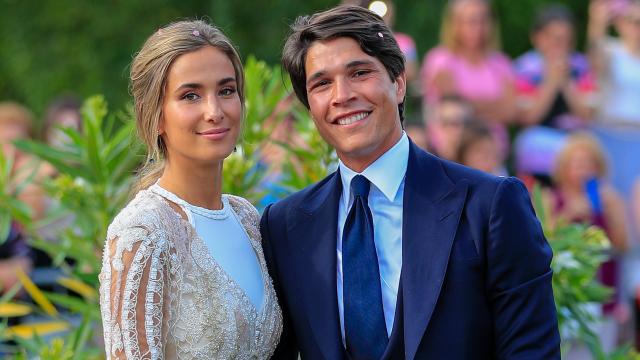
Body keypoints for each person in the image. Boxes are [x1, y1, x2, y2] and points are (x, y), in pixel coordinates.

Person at [262, 5, 559, 359]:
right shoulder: (285, 226)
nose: (342, 95)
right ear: (310, 106)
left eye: (359, 72)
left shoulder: (490, 205)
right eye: (322, 83)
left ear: (399, 83)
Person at [98, 20, 282, 359]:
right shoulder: (144, 232)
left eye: (226, 91)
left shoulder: (247, 218)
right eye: (190, 95)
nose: (214, 111)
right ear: (156, 115)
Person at [513, 4, 597, 187]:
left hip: (574, 147)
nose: (561, 46)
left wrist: (566, 82)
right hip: (537, 150)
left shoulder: (581, 66)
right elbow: (528, 117)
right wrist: (551, 81)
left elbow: (587, 115)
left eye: (566, 40)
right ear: (537, 38)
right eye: (555, 39)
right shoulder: (525, 68)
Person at [420, 0, 516, 160]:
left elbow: (510, 112)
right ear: (455, 24)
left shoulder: (500, 63)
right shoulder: (440, 60)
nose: (478, 27)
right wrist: (494, 106)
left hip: (493, 147)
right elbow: (457, 106)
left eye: (483, 20)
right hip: (450, 147)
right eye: (471, 21)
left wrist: (471, 104)